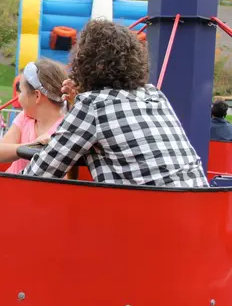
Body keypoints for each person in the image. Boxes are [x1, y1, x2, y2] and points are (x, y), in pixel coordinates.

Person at [23, 19, 208, 187]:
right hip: (201, 209)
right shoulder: (154, 95)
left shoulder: (92, 105)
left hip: (148, 216)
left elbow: (40, 172)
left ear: (85, 62)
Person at [0, 59, 67, 174]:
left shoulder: (65, 127)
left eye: (21, 92)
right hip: (11, 187)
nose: (18, 98)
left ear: (37, 95)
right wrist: (31, 146)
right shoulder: (24, 117)